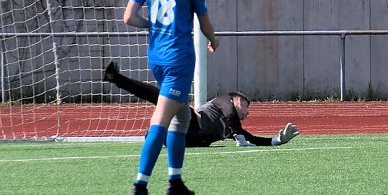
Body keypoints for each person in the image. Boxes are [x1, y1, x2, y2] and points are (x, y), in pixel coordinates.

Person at [123, 0, 219, 195]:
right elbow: (203, 22)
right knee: (161, 120)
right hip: (179, 58)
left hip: (157, 56)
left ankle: (175, 181)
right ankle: (140, 185)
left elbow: (129, 17)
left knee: (182, 116)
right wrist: (214, 40)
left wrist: (152, 25)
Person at [103, 62, 300, 148]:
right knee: (163, 97)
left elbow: (251, 138)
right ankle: (117, 78)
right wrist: (239, 137)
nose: (248, 113)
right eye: (247, 107)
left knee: (168, 138)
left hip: (192, 140)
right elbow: (230, 114)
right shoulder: (225, 101)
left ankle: (157, 134)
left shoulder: (234, 128)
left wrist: (277, 140)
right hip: (189, 121)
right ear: (239, 100)